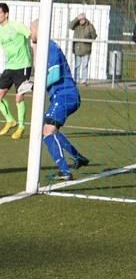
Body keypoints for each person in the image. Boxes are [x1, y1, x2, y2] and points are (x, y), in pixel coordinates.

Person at [30, 20, 90, 180]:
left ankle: (65, 172)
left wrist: (34, 86)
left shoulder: (50, 47)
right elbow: (39, 69)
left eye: (31, 29)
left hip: (65, 95)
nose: (29, 33)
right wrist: (34, 47)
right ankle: (78, 158)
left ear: (37, 30)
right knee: (50, 130)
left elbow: (55, 75)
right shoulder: (44, 46)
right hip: (63, 95)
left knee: (47, 132)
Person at [0, 2, 33, 140]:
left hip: (23, 65)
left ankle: (22, 127)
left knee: (19, 97)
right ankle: (10, 120)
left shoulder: (16, 25)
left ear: (6, 14)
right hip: (9, 67)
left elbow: (31, 35)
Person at [68, 13, 97, 86]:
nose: (81, 21)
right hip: (77, 49)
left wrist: (88, 38)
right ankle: (76, 80)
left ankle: (84, 81)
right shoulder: (76, 25)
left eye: (82, 19)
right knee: (77, 65)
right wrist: (76, 19)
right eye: (80, 19)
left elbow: (94, 36)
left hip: (86, 50)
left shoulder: (89, 26)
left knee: (85, 65)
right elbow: (70, 26)